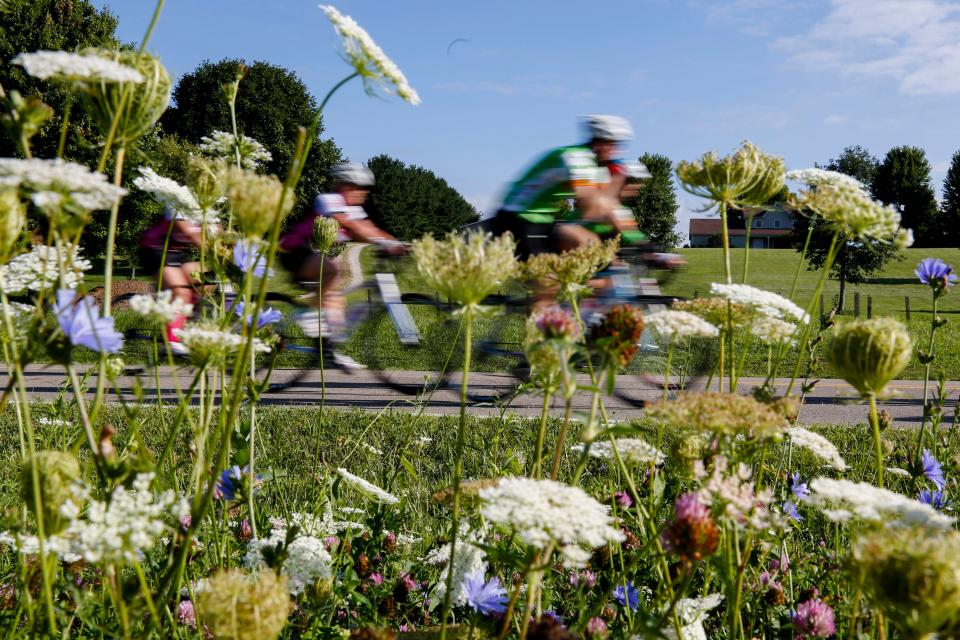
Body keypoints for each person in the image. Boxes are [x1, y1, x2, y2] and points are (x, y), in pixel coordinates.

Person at [279, 162, 402, 369]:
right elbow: (350, 226)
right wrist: (384, 243)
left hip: (311, 253)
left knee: (335, 302)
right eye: (359, 187)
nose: (363, 192)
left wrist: (395, 242)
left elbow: (369, 228)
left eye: (365, 188)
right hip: (293, 251)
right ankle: (307, 312)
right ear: (345, 185)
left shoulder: (353, 209)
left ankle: (329, 352)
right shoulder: (328, 200)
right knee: (333, 270)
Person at [492, 114, 636, 259]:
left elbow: (609, 204)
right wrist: (614, 188)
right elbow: (590, 209)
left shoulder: (593, 165)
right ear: (601, 143)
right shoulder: (576, 158)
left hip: (543, 218)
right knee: (547, 278)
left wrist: (640, 241)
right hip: (519, 217)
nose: (616, 150)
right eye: (614, 144)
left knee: (591, 246)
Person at [138, 206, 207, 355]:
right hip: (153, 249)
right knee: (180, 292)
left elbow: (215, 232)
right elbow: (188, 232)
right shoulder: (176, 202)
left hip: (175, 252)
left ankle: (188, 324)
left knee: (205, 281)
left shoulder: (206, 205)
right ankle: (172, 341)